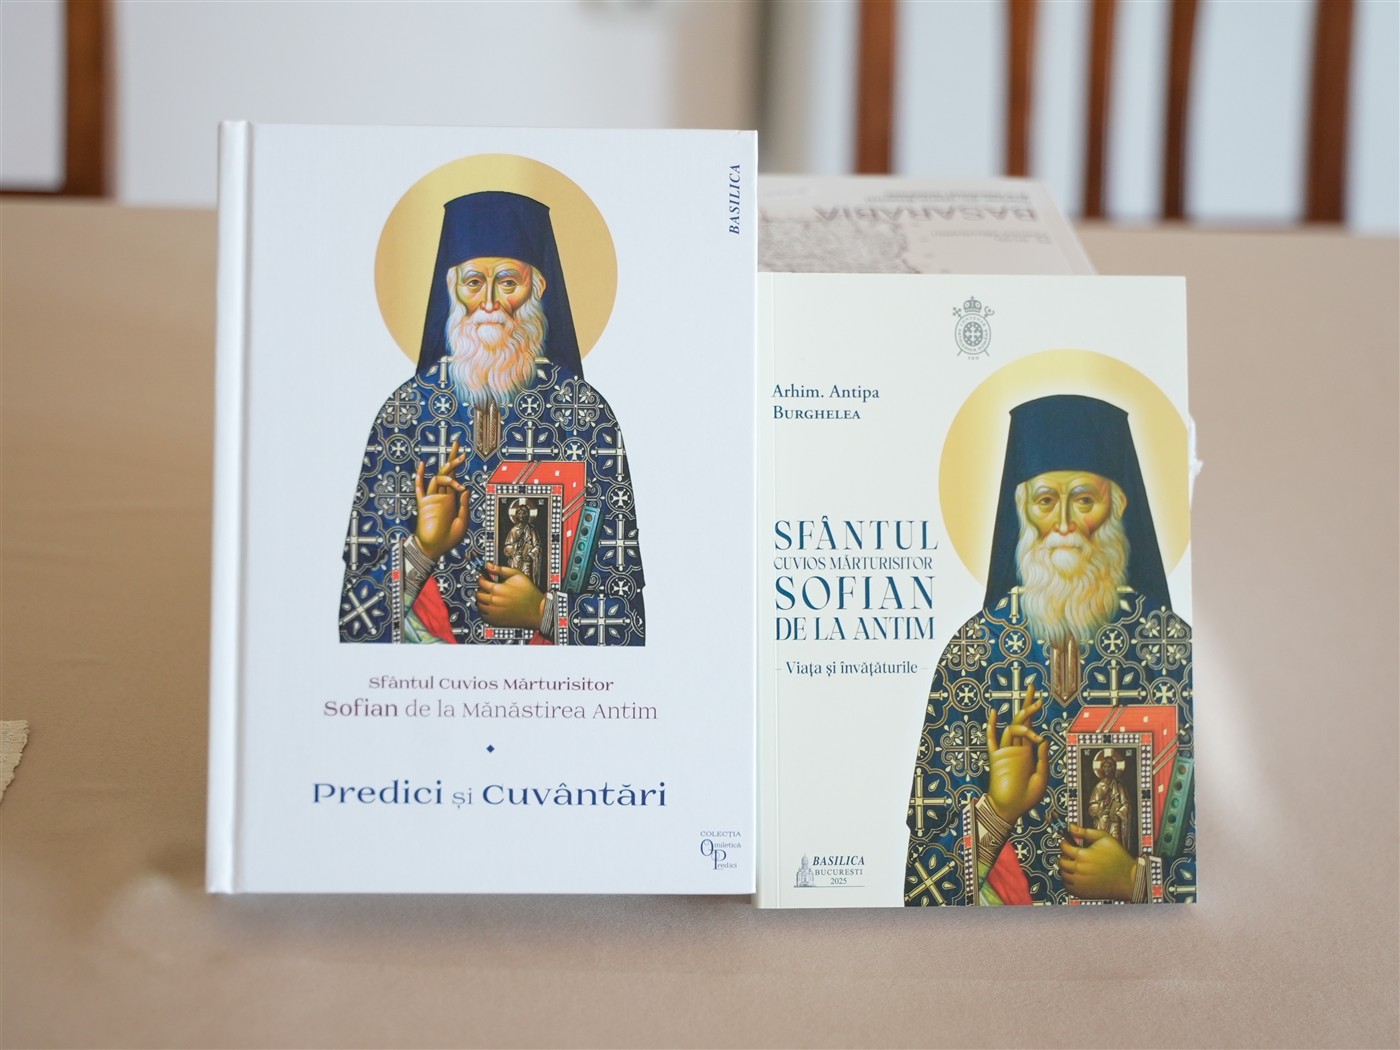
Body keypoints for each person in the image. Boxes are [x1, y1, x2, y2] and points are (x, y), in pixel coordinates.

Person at [904, 395, 1193, 905]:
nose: (1063, 523)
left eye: (1083, 500)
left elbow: (1230, 852)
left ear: (1117, 507)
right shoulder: (974, 653)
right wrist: (998, 811)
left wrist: (1136, 881)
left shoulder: (1172, 650)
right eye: (1044, 502)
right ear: (1021, 511)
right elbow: (923, 889)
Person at [339, 191, 645, 645]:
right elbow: (354, 620)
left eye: (507, 282)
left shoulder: (586, 416)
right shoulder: (404, 413)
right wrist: (423, 549)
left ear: (537, 289)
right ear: (451, 289)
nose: (489, 302)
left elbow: (628, 619)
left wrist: (544, 612)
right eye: (473, 283)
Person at [1088, 749, 1131, 847]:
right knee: (1103, 845)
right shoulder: (1099, 787)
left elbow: (1126, 804)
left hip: (1115, 822)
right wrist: (1103, 805)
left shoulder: (1119, 786)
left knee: (1115, 844)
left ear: (1114, 768)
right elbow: (1091, 807)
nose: (1107, 769)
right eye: (1105, 766)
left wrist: (1118, 813)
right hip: (1103, 821)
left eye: (1109, 766)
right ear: (1101, 769)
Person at [502, 499, 543, 591]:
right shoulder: (513, 531)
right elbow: (507, 548)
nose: (521, 515)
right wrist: (516, 546)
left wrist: (530, 555)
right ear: (516, 515)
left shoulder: (532, 530)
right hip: (516, 561)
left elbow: (537, 546)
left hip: (527, 562)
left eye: (523, 513)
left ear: (528, 515)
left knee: (527, 582)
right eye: (519, 513)